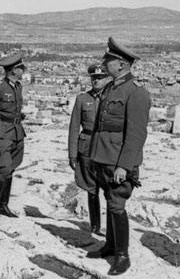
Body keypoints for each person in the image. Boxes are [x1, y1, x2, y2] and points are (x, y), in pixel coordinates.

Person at [86, 37, 151, 276]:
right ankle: (111, 246)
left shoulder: (136, 93)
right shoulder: (111, 88)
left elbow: (136, 134)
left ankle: (122, 256)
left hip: (118, 161)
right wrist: (94, 156)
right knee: (109, 202)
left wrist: (124, 165)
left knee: (116, 205)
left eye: (108, 60)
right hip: (103, 157)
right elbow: (100, 126)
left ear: (121, 64)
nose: (104, 63)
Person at [68, 63, 111, 235]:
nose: (96, 81)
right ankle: (95, 225)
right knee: (92, 189)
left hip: (106, 147)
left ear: (106, 79)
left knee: (109, 188)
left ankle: (111, 227)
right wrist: (72, 154)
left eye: (100, 78)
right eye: (94, 78)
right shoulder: (82, 99)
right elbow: (73, 128)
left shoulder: (111, 99)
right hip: (86, 147)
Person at [0, 52, 27, 218]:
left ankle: (3, 205)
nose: (23, 70)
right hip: (3, 134)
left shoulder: (18, 86)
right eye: (20, 68)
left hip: (17, 132)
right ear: (13, 70)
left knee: (11, 168)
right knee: (4, 169)